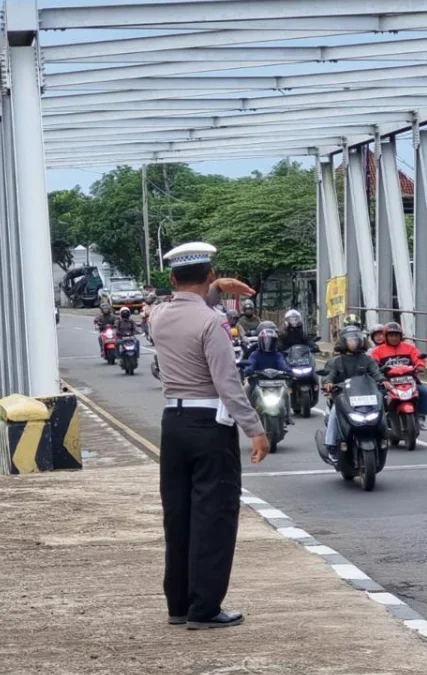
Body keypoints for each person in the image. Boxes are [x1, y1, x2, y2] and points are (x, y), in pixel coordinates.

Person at [149, 241, 269, 631]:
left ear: (171, 278)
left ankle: (179, 605)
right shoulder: (212, 323)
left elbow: (188, 301)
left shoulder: (157, 315)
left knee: (179, 516)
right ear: (211, 275)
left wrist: (215, 291)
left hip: (173, 424)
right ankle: (205, 609)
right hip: (209, 426)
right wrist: (255, 429)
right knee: (213, 517)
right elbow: (227, 382)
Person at [321, 327, 390, 463]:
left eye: (355, 339)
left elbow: (376, 373)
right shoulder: (336, 361)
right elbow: (329, 375)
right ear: (343, 342)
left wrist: (383, 381)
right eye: (350, 340)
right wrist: (328, 383)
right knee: (335, 413)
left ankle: (383, 438)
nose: (353, 342)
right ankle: (331, 446)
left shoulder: (367, 359)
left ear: (361, 341)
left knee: (381, 407)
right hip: (343, 397)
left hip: (365, 396)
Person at [371, 322, 427, 431]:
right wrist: (378, 372)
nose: (394, 338)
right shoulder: (378, 351)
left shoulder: (409, 348)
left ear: (401, 336)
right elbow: (372, 363)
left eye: (396, 335)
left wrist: (420, 365)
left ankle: (421, 418)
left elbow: (418, 357)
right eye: (391, 335)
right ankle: (379, 420)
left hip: (409, 380)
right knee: (378, 396)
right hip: (388, 383)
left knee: (424, 391)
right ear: (386, 336)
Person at [242, 321, 292, 424]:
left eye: (271, 341)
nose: (268, 343)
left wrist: (288, 372)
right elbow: (250, 364)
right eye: (265, 341)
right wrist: (248, 371)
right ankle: (247, 414)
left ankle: (287, 415)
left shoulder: (277, 355)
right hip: (258, 381)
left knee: (286, 391)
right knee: (246, 387)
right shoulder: (255, 354)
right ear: (260, 341)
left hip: (276, 381)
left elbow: (283, 365)